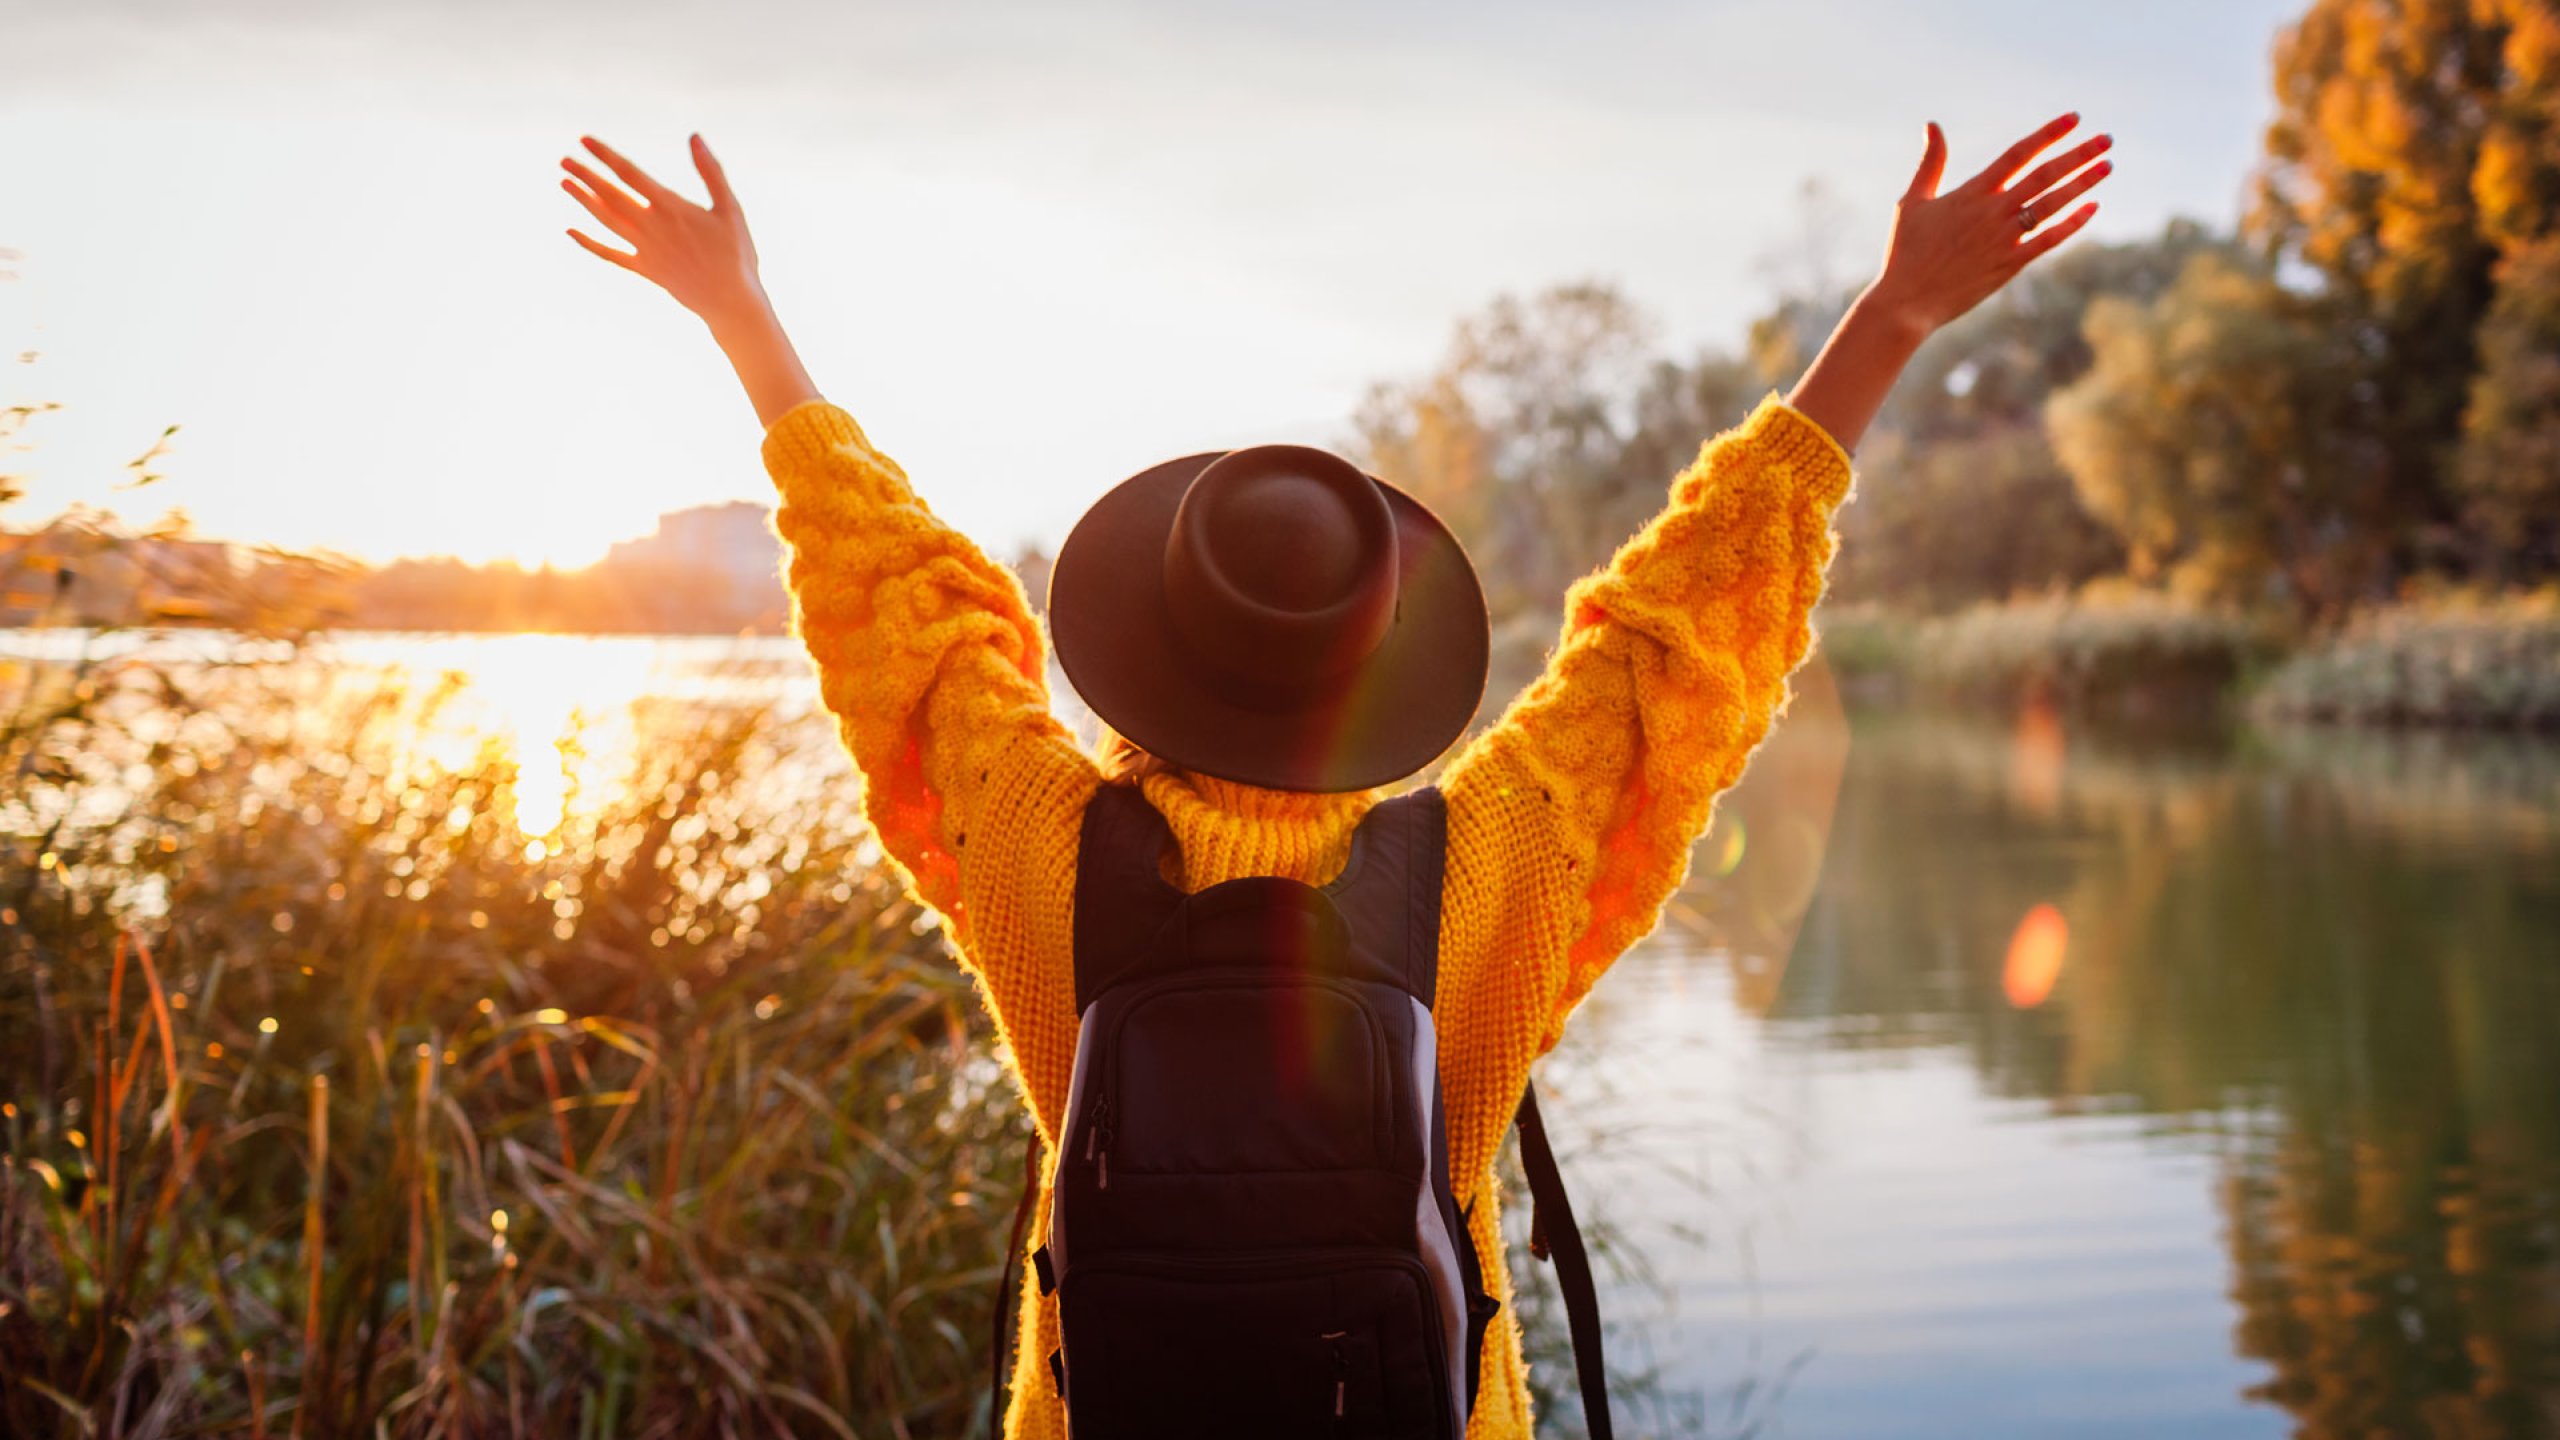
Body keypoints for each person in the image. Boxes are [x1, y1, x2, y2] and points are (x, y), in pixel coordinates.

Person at [560, 113, 2111, 1438]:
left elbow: (889, 593)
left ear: (1145, 638)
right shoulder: (1489, 857)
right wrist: (1890, 322)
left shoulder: (1039, 840)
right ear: (1377, 672)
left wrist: (746, 319)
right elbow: (1673, 635)